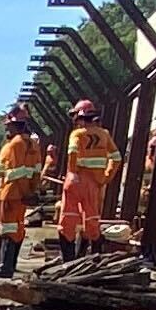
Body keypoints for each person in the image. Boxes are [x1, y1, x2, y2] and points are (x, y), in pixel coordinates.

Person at [0, 110, 50, 279]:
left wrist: (25, 192)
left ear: (14, 126)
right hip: (21, 195)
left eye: (8, 126)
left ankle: (5, 266)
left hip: (10, 193)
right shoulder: (33, 145)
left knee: (7, 229)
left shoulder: (15, 144)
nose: (6, 129)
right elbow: (36, 172)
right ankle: (9, 264)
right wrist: (32, 191)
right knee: (17, 229)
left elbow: (16, 172)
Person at [58, 100, 121, 253]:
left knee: (68, 219)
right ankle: (94, 256)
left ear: (79, 117)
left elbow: (72, 152)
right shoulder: (104, 134)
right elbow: (117, 157)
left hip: (77, 180)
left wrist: (72, 173)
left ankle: (69, 260)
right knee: (92, 219)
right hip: (95, 184)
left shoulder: (77, 134)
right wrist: (106, 177)